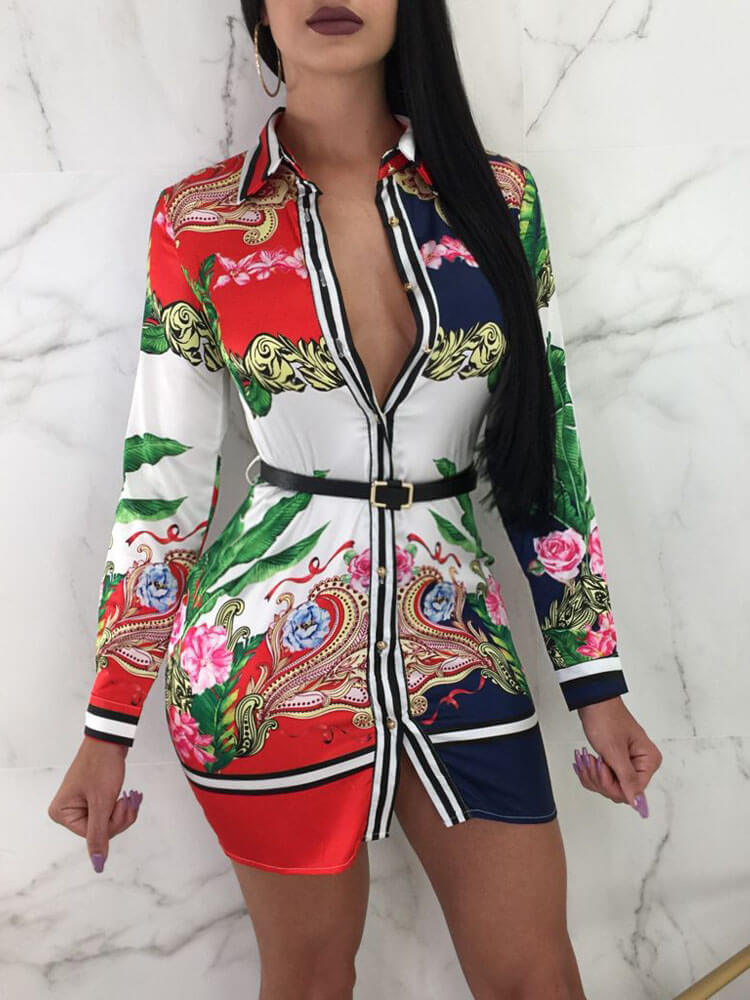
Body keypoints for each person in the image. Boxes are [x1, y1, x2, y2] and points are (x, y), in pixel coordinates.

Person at [48, 1, 662, 996]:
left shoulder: (499, 199)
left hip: (459, 647)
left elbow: (544, 453)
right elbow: (164, 479)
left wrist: (597, 685)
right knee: (308, 979)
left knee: (536, 977)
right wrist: (106, 726)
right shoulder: (200, 219)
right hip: (259, 667)